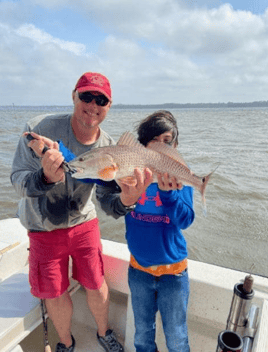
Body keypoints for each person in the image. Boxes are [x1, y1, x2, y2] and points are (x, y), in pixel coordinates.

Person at [10, 72, 151, 352]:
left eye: (102, 99)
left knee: (97, 283)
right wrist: (44, 178)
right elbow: (17, 179)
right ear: (74, 95)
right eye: (86, 96)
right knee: (55, 291)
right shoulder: (40, 129)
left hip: (84, 224)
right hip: (42, 227)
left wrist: (128, 199)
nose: (93, 104)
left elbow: (109, 202)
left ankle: (103, 333)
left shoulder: (110, 147)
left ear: (109, 106)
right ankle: (66, 342)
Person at [95, 110, 195, 352]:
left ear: (175, 145)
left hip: (174, 274)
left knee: (177, 339)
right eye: (154, 140)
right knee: (141, 337)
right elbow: (108, 201)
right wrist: (124, 196)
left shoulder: (180, 171)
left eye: (167, 141)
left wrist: (170, 195)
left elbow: (186, 219)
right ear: (142, 144)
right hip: (139, 271)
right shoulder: (127, 173)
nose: (161, 146)